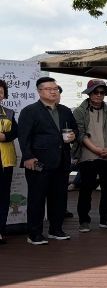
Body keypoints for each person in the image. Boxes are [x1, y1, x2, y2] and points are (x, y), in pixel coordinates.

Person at [17, 77, 78, 244]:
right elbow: (23, 136)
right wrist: (28, 156)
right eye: (49, 89)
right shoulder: (30, 111)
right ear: (39, 91)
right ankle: (34, 234)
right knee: (37, 198)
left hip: (62, 160)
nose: (53, 91)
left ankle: (56, 229)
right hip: (38, 162)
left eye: (56, 88)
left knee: (59, 197)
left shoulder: (65, 110)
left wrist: (73, 136)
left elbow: (75, 130)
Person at [73, 79, 107, 232]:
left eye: (102, 92)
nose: (99, 95)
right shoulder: (79, 111)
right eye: (95, 92)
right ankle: (84, 221)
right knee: (86, 188)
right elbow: (79, 134)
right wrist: (96, 149)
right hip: (88, 155)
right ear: (89, 93)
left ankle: (105, 219)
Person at [0, 79, 19, 245]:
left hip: (5, 160)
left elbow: (15, 132)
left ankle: (0, 231)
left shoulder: (9, 112)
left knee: (3, 196)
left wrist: (4, 136)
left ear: (4, 95)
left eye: (0, 92)